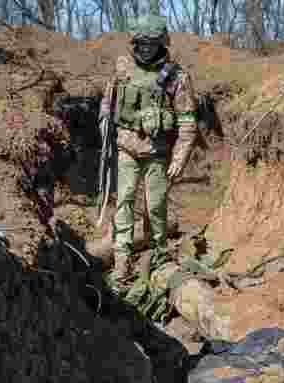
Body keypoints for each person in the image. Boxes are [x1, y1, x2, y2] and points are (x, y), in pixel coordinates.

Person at [97, 14, 198, 294]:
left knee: (156, 207)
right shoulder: (123, 66)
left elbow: (188, 123)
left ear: (161, 43)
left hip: (157, 152)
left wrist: (179, 159)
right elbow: (109, 98)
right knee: (124, 202)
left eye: (150, 43)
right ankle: (121, 264)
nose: (144, 48)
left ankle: (158, 258)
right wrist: (105, 118)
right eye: (140, 43)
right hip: (126, 146)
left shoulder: (176, 76)